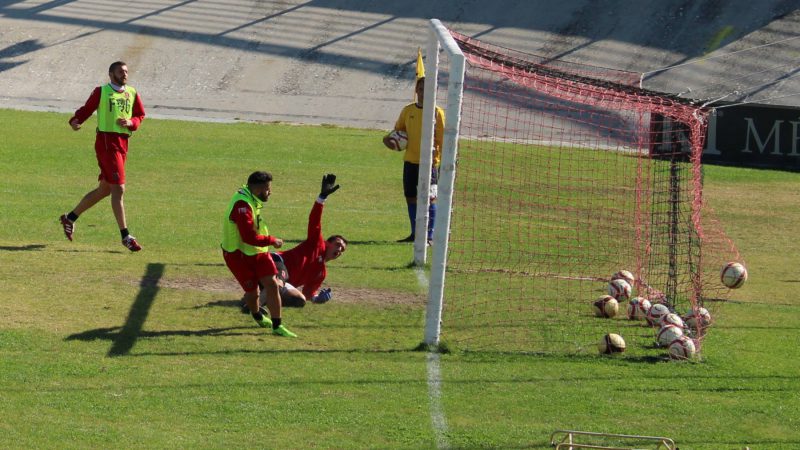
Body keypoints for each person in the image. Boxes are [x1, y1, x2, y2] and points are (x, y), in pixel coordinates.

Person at [59, 61, 146, 252]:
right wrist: (75, 120)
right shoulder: (102, 91)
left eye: (126, 71)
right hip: (107, 144)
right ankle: (126, 236)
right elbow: (87, 108)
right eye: (120, 71)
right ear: (111, 74)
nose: (125, 74)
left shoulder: (132, 92)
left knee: (105, 189)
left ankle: (70, 218)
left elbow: (140, 115)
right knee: (119, 189)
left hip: (122, 144)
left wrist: (131, 122)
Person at [222, 171, 297, 337]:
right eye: (267, 188)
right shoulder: (242, 205)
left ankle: (277, 325)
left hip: (257, 252)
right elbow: (248, 237)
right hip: (238, 256)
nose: (270, 192)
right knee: (253, 292)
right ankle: (257, 315)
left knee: (272, 283)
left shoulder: (249, 197)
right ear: (257, 190)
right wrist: (272, 240)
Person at [382, 77, 445, 244]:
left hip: (429, 164)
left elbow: (442, 140)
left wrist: (441, 161)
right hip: (410, 161)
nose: (425, 93)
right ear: (417, 91)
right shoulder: (408, 111)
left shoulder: (437, 113)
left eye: (429, 89)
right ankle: (415, 234)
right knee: (410, 197)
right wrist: (388, 140)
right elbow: (398, 132)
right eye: (422, 89)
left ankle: (429, 236)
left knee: (430, 198)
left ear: (435, 92)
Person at [276, 173, 348, 307]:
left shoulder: (321, 273)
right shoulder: (317, 243)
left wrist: (317, 298)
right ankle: (254, 303)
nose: (339, 249)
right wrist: (322, 198)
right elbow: (314, 221)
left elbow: (308, 293)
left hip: (283, 282)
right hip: (274, 263)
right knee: (275, 287)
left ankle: (255, 300)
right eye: (337, 245)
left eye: (342, 249)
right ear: (327, 243)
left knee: (299, 301)